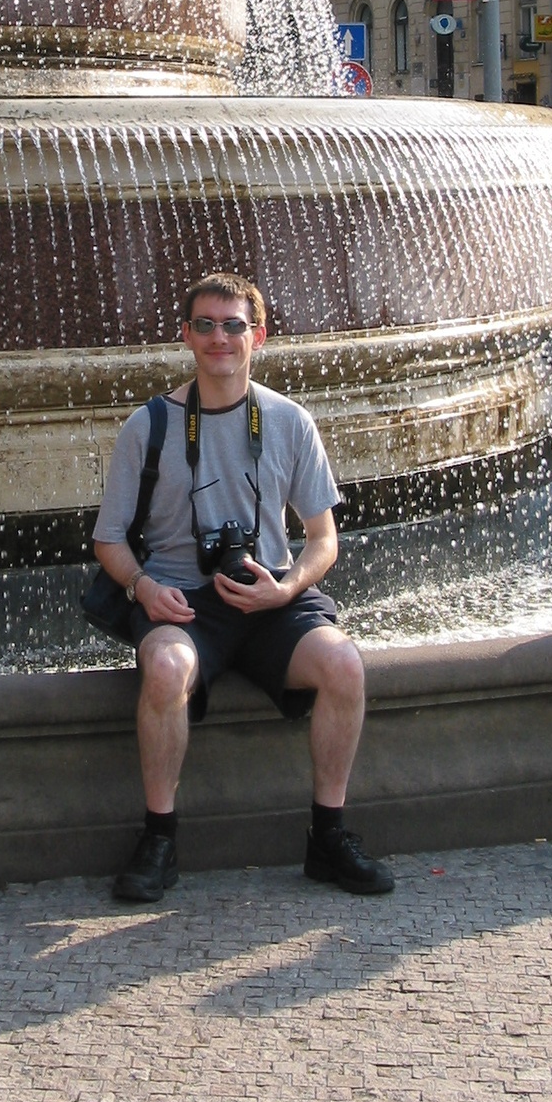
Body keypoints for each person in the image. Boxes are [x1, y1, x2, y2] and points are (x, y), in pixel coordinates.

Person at [92, 273, 392, 903]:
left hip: (270, 594)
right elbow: (109, 540)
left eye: (233, 325)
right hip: (181, 600)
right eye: (205, 325)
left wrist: (287, 589)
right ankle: (159, 838)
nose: (219, 338)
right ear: (186, 335)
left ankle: (328, 835)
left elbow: (323, 539)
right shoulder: (148, 426)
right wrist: (144, 588)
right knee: (166, 670)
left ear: (259, 336)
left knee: (344, 664)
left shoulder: (289, 420)